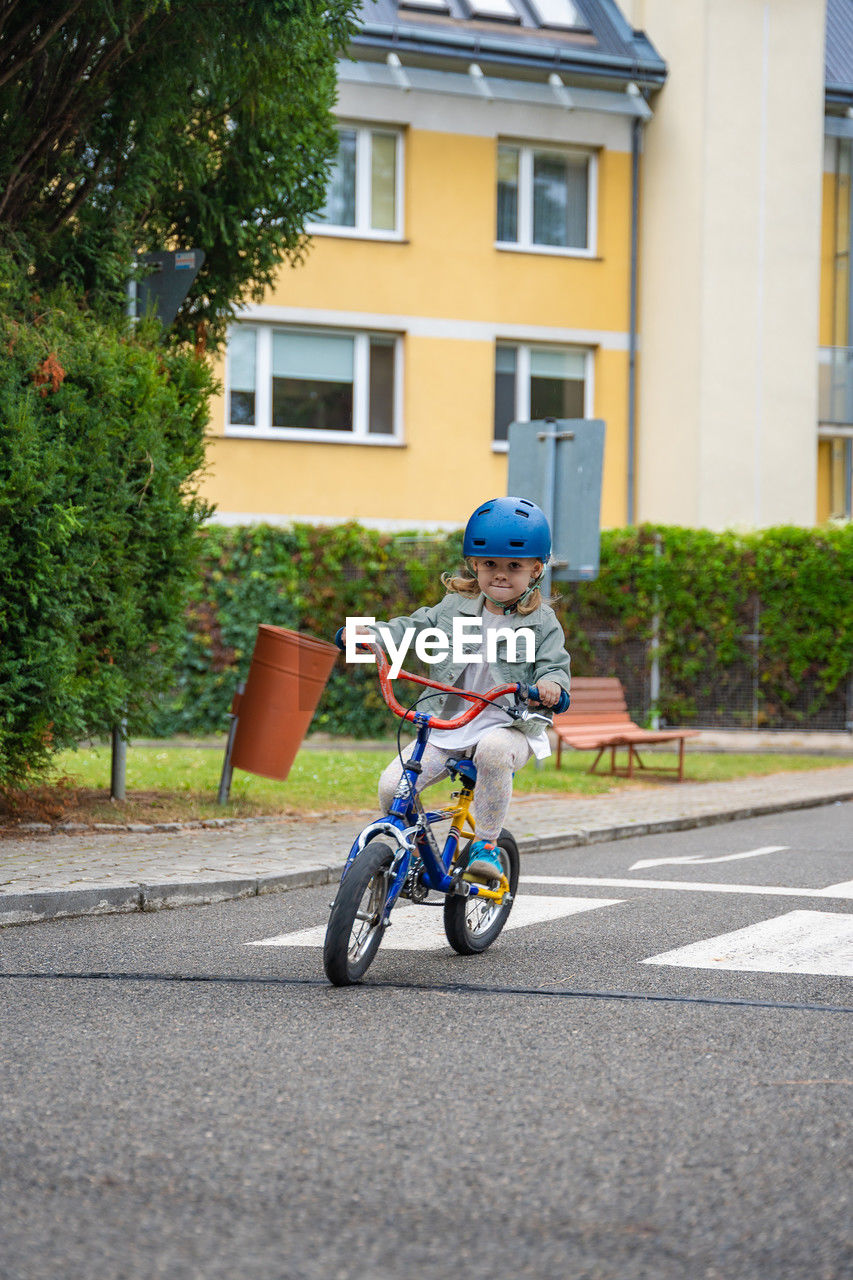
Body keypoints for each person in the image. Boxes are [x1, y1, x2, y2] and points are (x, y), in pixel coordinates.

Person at [344, 497, 571, 885]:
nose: (500, 575)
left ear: (536, 568)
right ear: (474, 565)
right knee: (391, 786)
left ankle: (486, 846)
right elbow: (411, 628)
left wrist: (550, 687)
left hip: (507, 726)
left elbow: (554, 667)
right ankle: (416, 852)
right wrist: (369, 635)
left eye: (514, 566)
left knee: (493, 752)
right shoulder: (454, 607)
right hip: (450, 725)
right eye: (489, 565)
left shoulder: (542, 622)